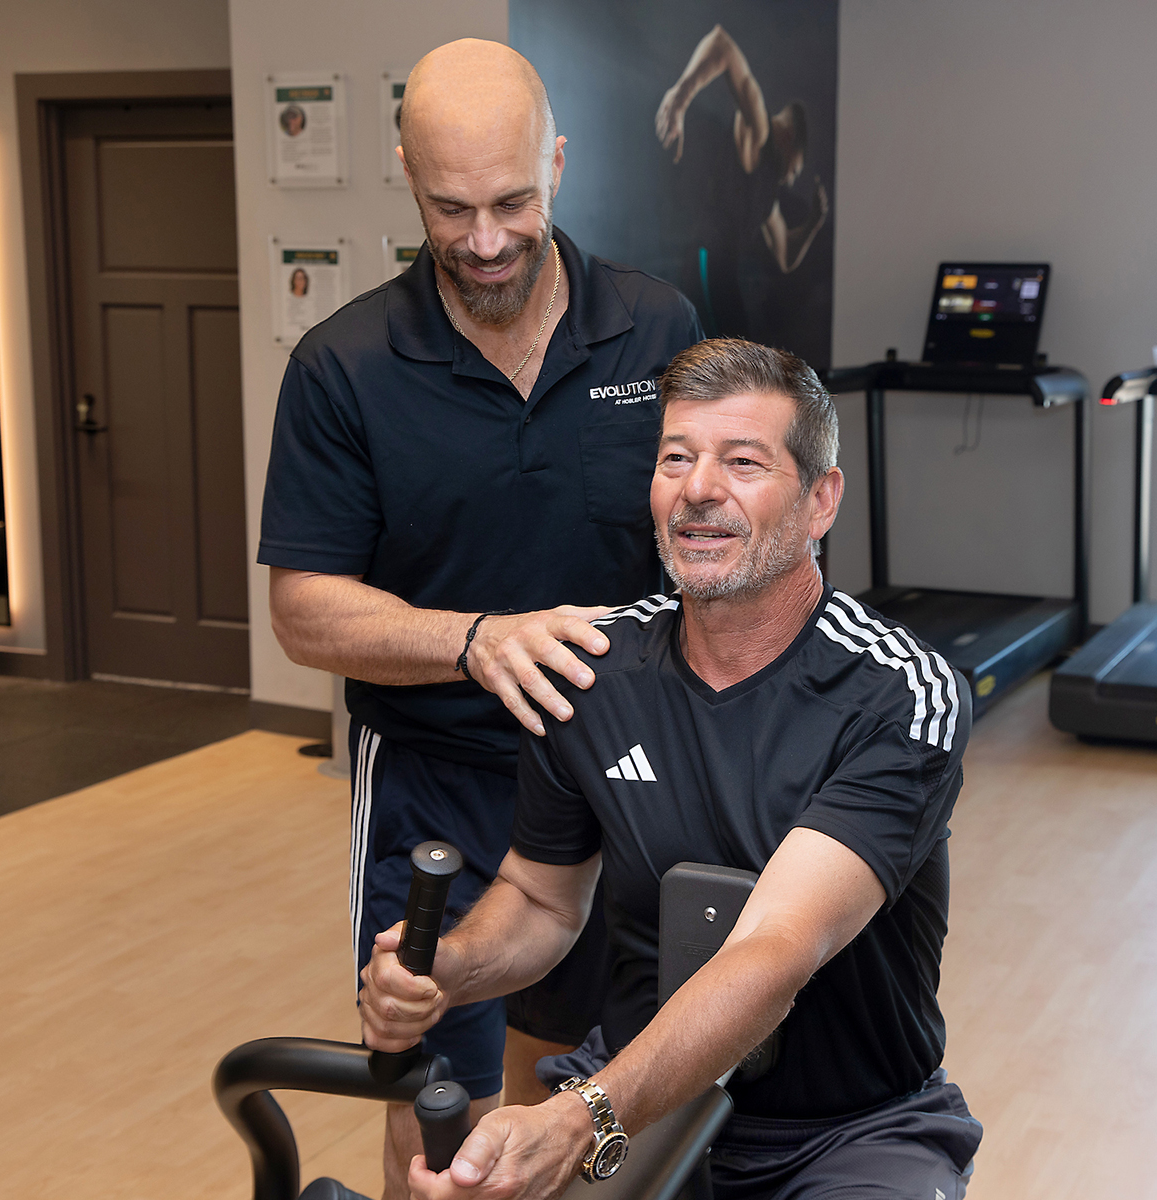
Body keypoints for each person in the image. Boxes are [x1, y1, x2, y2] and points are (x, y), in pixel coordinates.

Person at [359, 339, 982, 1200]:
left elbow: (774, 950)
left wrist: (581, 1118)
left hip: (846, 1132)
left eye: (743, 462)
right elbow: (542, 900)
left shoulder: (900, 693)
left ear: (820, 499)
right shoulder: (590, 670)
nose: (698, 489)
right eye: (676, 459)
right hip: (638, 1097)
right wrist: (451, 969)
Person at [257, 38, 701, 1200]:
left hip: (617, 771)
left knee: (581, 1079)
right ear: (407, 174)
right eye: (452, 209)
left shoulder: (657, 329)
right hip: (435, 780)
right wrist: (476, 639)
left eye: (512, 202)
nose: (488, 240)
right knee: (434, 1098)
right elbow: (303, 611)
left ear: (557, 163)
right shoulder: (344, 366)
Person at [654, 25, 829, 338]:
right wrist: (681, 96)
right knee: (725, 353)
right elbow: (721, 43)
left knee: (736, 351)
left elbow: (785, 256)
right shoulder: (759, 132)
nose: (790, 179)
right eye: (795, 170)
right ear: (789, 137)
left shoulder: (767, 194)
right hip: (707, 258)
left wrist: (813, 223)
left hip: (724, 273)